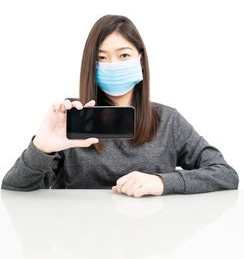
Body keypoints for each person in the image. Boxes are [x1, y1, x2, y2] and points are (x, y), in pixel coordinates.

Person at [1, 15, 239, 197]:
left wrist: (162, 182)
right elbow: (14, 190)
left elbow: (226, 174)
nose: (112, 64)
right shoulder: (72, 118)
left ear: (141, 61)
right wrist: (41, 148)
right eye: (101, 58)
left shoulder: (168, 120)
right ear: (90, 66)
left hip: (149, 239)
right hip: (82, 240)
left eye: (123, 55)